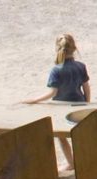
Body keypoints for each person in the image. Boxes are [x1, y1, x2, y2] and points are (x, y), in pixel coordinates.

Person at [24, 34, 90, 170]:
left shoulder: (56, 69)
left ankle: (71, 163)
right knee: (79, 134)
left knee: (60, 135)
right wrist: (87, 103)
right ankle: (84, 160)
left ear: (57, 49)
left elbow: (52, 93)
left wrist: (34, 100)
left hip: (61, 107)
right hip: (79, 104)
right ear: (74, 48)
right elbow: (86, 88)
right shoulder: (81, 66)